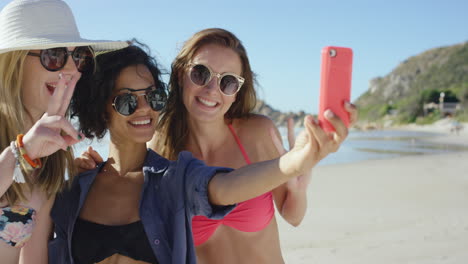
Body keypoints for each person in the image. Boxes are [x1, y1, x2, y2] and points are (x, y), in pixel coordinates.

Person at [49, 41, 349, 264]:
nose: (144, 108)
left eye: (153, 97)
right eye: (127, 101)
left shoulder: (176, 177)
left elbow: (224, 187)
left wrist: (297, 162)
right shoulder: (74, 187)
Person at [151, 28, 357, 263]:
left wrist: (298, 188)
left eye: (228, 82)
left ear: (237, 92)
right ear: (180, 74)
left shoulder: (257, 134)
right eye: (201, 73)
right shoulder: (162, 148)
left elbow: (293, 216)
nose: (211, 90)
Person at [0, 0, 127, 263]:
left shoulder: (52, 155)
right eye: (54, 55)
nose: (71, 70)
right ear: (13, 63)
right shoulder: (29, 150)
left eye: (78, 56)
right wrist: (20, 153)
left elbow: (32, 257)